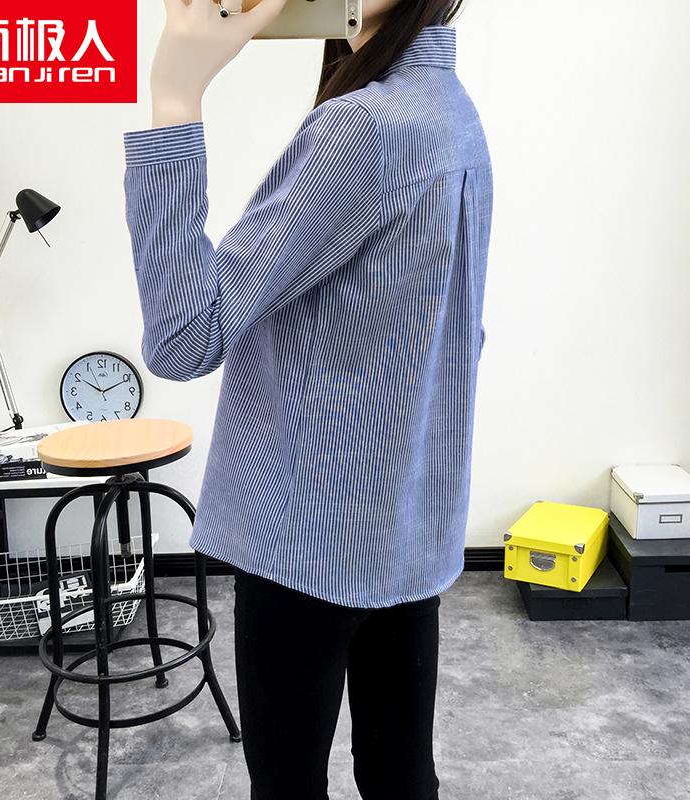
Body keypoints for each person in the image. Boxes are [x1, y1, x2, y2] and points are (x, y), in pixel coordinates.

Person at [122, 0, 493, 797]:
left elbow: (185, 336)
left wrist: (175, 95)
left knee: (291, 785)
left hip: (307, 540)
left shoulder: (366, 128)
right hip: (402, 526)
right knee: (400, 775)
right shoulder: (449, 112)